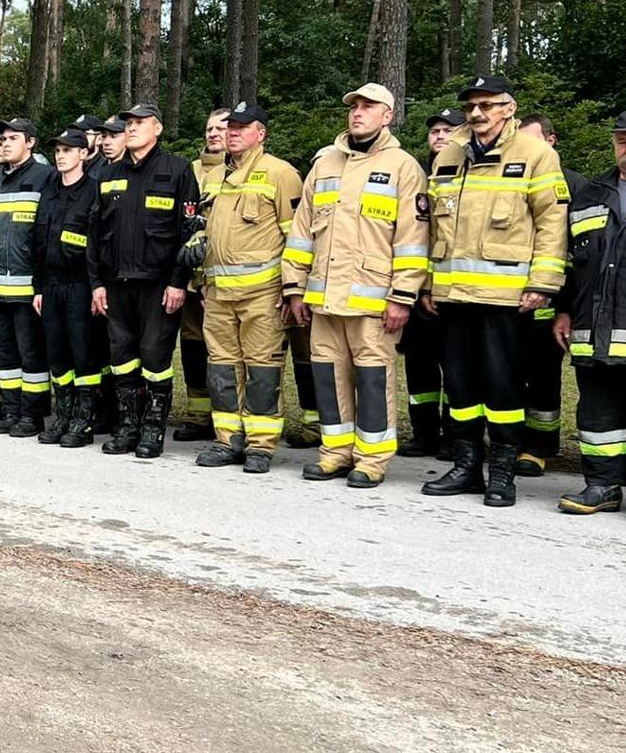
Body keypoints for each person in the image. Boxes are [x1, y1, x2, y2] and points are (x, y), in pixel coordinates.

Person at [420, 75, 569, 508]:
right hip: (452, 294)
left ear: (509, 108)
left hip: (506, 298)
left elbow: (552, 225)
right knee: (460, 387)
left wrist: (543, 283)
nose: (477, 114)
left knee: (503, 388)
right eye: (470, 107)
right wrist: (429, 283)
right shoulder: (449, 154)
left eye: (487, 105)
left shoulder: (536, 155)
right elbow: (433, 226)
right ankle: (466, 465)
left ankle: (502, 472)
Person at [282, 84, 428, 488]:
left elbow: (413, 240)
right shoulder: (325, 164)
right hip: (325, 299)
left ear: (388, 115)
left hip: (374, 302)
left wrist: (403, 296)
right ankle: (335, 453)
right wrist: (294, 287)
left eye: (369, 106)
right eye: (354, 106)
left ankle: (371, 459)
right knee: (328, 378)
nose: (358, 112)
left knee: (372, 380)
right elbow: (301, 233)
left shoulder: (403, 167)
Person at [186, 102, 302, 474]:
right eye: (229, 126)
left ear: (261, 133)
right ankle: (228, 440)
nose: (232, 132)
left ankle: (260, 445)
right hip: (217, 295)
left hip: (262, 295)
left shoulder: (281, 174)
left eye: (241, 126)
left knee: (262, 371)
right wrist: (201, 274)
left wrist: (292, 289)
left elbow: (296, 238)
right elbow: (207, 228)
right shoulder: (215, 175)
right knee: (221, 369)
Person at [90, 103, 201, 458]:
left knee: (155, 356)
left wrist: (178, 282)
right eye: (129, 124)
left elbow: (190, 233)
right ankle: (128, 426)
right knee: (121, 357)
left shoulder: (178, 170)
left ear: (158, 128)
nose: (132, 128)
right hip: (117, 283)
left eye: (140, 123)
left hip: (158, 285)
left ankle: (152, 430)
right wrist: (97, 283)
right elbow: (95, 234)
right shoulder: (108, 175)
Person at [552, 108, 626, 516]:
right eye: (622, 141)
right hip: (592, 329)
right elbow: (569, 262)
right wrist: (563, 311)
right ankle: (602, 486)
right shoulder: (589, 195)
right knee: (598, 412)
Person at [513, 113, 586, 477]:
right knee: (507, 374)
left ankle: (539, 448)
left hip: (552, 304)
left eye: (533, 141)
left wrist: (566, 308)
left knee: (544, 376)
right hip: (508, 302)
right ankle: (509, 442)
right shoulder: (510, 181)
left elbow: (578, 259)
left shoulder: (577, 188)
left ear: (552, 141)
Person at [397, 107, 468, 459]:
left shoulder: (467, 176)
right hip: (416, 290)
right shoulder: (415, 177)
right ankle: (424, 433)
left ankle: (457, 437)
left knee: (457, 369)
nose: (440, 137)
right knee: (420, 368)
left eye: (448, 131)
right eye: (434, 132)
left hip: (454, 292)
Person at [0, 119, 56, 436]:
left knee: (31, 355)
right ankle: (11, 409)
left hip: (27, 286)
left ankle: (32, 414)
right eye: (4, 138)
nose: (7, 143)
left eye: (14, 138)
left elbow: (47, 232)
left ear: (31, 143)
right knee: (5, 354)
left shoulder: (44, 177)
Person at [34, 127, 106, 447]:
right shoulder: (50, 190)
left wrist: (96, 287)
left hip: (80, 284)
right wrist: (38, 287)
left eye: (67, 150)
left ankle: (83, 419)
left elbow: (100, 246)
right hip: (51, 284)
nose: (60, 156)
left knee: (83, 354)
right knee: (57, 353)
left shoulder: (93, 191)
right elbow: (37, 241)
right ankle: (62, 414)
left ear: (84, 154)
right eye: (58, 150)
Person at [176, 108, 232, 443]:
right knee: (193, 346)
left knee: (224, 350)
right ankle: (199, 413)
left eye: (221, 128)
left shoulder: (242, 171)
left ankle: (228, 416)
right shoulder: (189, 171)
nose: (213, 134)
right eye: (209, 128)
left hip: (225, 278)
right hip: (190, 276)